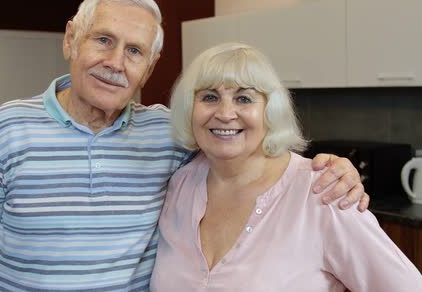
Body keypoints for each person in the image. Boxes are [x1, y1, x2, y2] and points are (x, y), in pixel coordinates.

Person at [0, 0, 368, 292]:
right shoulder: (1, 131)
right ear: (71, 39)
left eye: (135, 51)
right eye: (103, 40)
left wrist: (329, 167)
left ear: (149, 68)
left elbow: (245, 150)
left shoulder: (169, 134)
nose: (116, 62)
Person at [150, 42, 422, 291]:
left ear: (271, 109)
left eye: (244, 98)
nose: (224, 113)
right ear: (190, 108)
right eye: (209, 97)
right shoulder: (180, 184)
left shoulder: (323, 192)